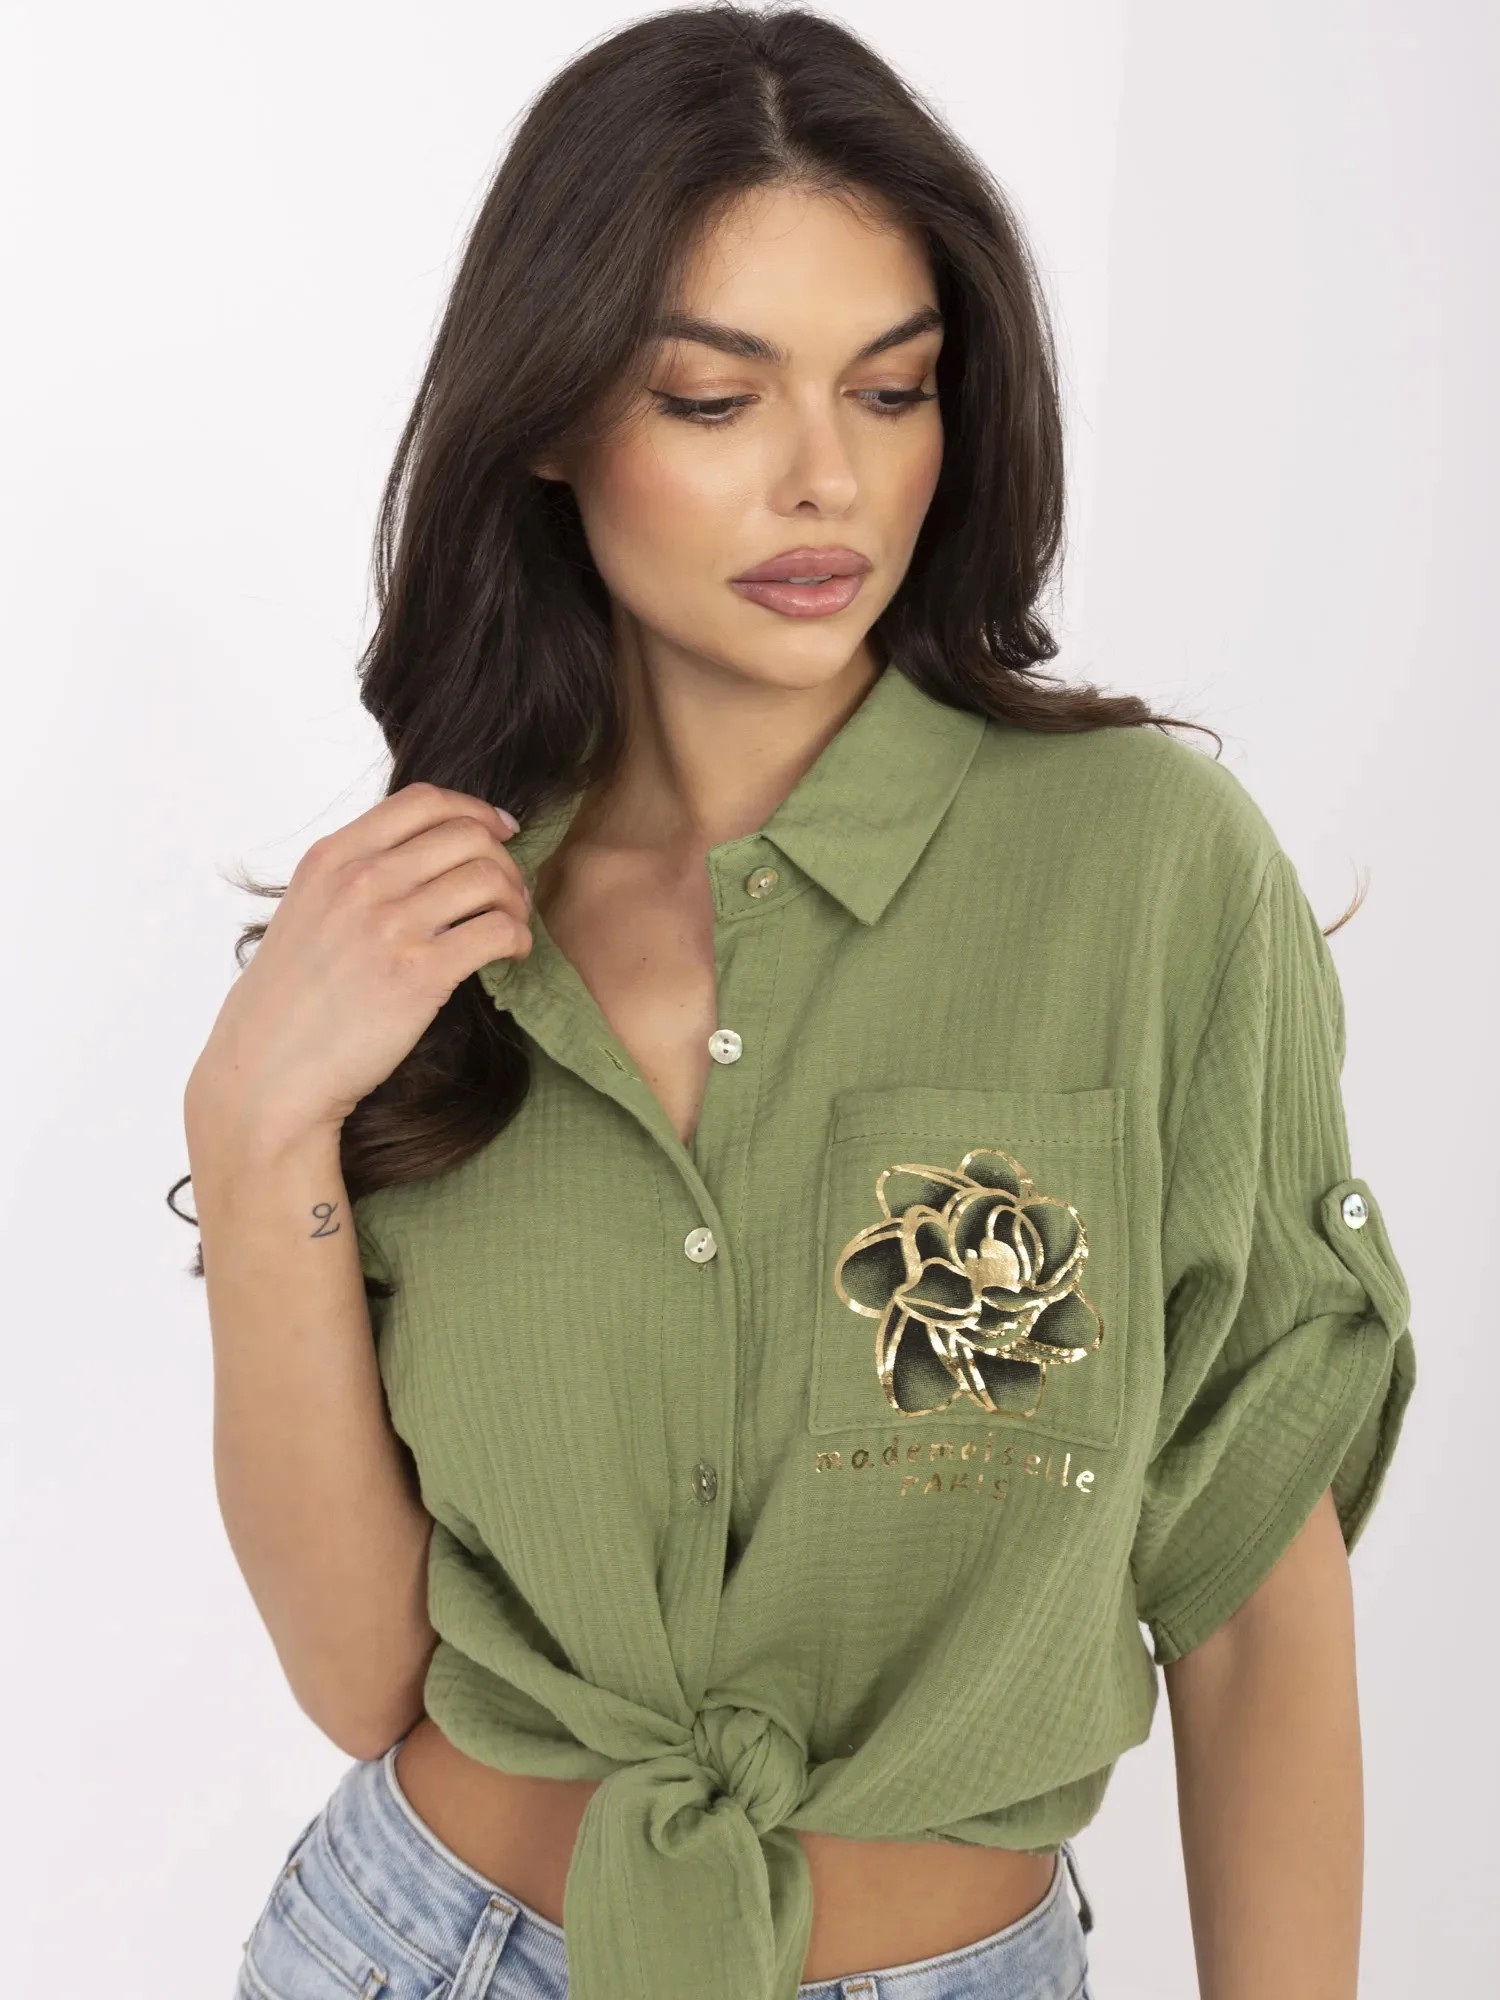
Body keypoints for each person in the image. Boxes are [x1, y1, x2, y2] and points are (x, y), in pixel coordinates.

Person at [174, 8, 1416, 1999]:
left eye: (892, 388)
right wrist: (254, 1135)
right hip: (416, 1945)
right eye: (712, 398)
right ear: (554, 416)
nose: (826, 479)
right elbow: (363, 1671)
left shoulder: (1149, 873)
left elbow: (1255, 1604)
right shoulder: (417, 928)